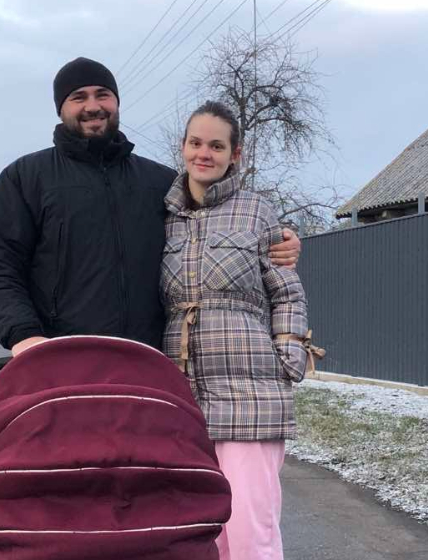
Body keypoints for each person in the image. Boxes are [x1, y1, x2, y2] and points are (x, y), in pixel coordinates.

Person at [0, 57, 301, 356]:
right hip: (62, 362)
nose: (92, 105)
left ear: (116, 102)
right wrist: (24, 335)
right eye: (78, 97)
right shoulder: (27, 178)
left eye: (103, 94)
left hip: (150, 364)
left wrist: (277, 237)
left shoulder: (161, 182)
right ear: (61, 108)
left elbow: (216, 223)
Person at [161, 100, 318, 560]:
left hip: (250, 394)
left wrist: (285, 358)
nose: (203, 153)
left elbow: (287, 294)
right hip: (183, 398)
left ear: (236, 154)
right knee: (194, 532)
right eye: (195, 143)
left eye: (216, 145)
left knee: (249, 533)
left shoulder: (256, 212)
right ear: (183, 147)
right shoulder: (164, 216)